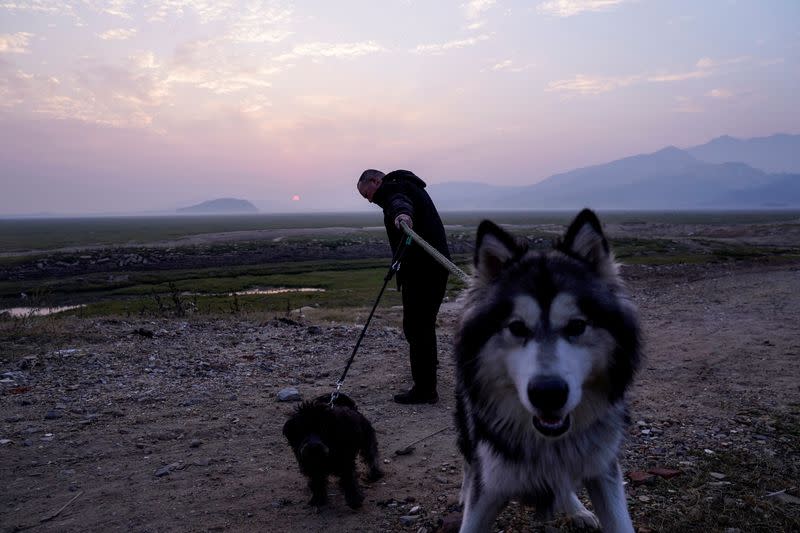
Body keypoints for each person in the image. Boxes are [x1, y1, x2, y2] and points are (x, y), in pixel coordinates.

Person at [357, 169, 450, 404]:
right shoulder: (406, 186)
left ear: (376, 181)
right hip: (427, 269)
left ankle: (426, 390)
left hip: (424, 271)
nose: (369, 200)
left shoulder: (394, 189)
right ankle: (426, 370)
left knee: (419, 328)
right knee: (417, 327)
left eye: (368, 194)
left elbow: (400, 204)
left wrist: (402, 216)